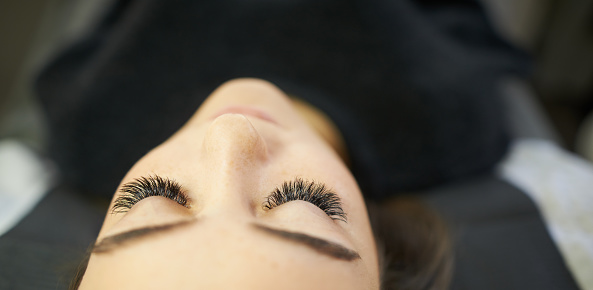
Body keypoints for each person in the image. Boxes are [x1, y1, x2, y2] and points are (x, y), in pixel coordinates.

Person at [7, 0, 579, 289]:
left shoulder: (87, 120)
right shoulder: (457, 120)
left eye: (154, 197)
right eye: (304, 202)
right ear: (382, 257)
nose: (231, 135)